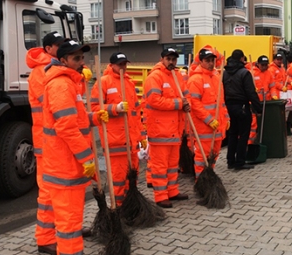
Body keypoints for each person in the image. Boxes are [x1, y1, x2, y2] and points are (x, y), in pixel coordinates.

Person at [43, 40, 108, 255]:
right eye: (76, 58)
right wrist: (87, 159)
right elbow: (67, 127)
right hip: (64, 165)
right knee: (69, 223)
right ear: (63, 61)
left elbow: (76, 119)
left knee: (72, 219)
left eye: (82, 58)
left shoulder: (70, 83)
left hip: (67, 164)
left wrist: (92, 117)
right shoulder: (61, 85)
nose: (82, 63)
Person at [26, 32, 94, 255]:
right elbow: (60, 112)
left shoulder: (61, 75)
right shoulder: (42, 74)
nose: (63, 46)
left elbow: (75, 111)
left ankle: (63, 233)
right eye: (60, 45)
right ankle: (47, 238)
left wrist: (78, 79)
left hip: (57, 143)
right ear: (49, 49)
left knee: (59, 199)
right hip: (49, 144)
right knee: (49, 194)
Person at [91, 52, 144, 205]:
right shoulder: (103, 82)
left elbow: (135, 112)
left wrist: (141, 136)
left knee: (132, 177)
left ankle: (131, 205)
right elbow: (94, 108)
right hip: (116, 141)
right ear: (112, 65)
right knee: (119, 179)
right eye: (120, 64)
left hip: (131, 142)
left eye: (125, 64)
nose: (123, 67)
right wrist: (115, 108)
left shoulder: (129, 83)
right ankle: (120, 208)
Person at [144, 48, 190, 208]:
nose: (171, 62)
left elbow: (186, 95)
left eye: (174, 59)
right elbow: (154, 100)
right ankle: (160, 196)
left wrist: (186, 104)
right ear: (162, 58)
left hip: (175, 130)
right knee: (160, 166)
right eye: (169, 59)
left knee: (172, 165)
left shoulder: (177, 76)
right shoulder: (154, 77)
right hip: (160, 131)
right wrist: (178, 104)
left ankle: (172, 191)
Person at [187, 48, 229, 178]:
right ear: (201, 62)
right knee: (202, 156)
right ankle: (200, 181)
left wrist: (227, 118)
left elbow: (221, 102)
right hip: (204, 127)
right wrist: (209, 120)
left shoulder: (217, 77)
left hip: (217, 125)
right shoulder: (195, 79)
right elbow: (195, 104)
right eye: (207, 60)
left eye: (212, 60)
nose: (211, 63)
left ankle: (209, 176)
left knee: (214, 154)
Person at [223, 49, 262, 170]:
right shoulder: (244, 73)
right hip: (242, 106)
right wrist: (258, 108)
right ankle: (240, 161)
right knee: (244, 134)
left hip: (229, 106)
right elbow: (251, 93)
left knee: (233, 134)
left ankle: (230, 160)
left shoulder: (225, 72)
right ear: (241, 59)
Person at [249, 55, 278, 144]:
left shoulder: (269, 73)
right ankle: (249, 143)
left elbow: (272, 87)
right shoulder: (252, 73)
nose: (265, 67)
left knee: (265, 124)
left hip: (266, 103)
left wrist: (274, 95)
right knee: (253, 124)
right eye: (263, 65)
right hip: (255, 103)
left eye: (266, 65)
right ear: (258, 64)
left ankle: (263, 142)